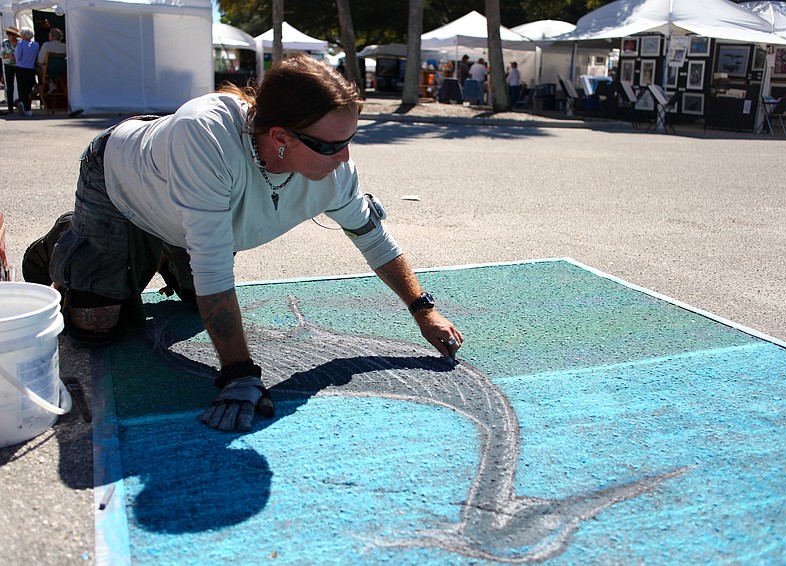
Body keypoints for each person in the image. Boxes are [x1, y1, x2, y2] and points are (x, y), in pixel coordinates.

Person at [23, 54, 464, 432]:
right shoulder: (206, 137)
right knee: (95, 327)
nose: (346, 158)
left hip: (186, 217)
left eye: (350, 140)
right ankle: (66, 242)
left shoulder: (335, 171)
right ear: (280, 139)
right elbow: (215, 269)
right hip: (121, 182)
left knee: (201, 304)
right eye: (332, 145)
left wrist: (424, 310)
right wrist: (238, 373)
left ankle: (150, 250)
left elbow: (375, 240)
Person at [13, 27, 38, 116]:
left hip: (21, 67)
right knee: (28, 89)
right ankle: (27, 107)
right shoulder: (36, 45)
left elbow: (18, 56)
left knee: (22, 89)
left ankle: (25, 107)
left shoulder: (20, 43)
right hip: (31, 69)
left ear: (24, 35)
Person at [1, 25, 20, 114]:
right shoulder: (5, 43)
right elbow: (2, 55)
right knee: (9, 85)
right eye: (8, 34)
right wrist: (9, 56)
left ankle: (21, 103)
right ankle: (10, 106)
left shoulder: (20, 43)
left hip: (19, 65)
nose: (9, 36)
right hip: (8, 65)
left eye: (10, 34)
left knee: (21, 84)